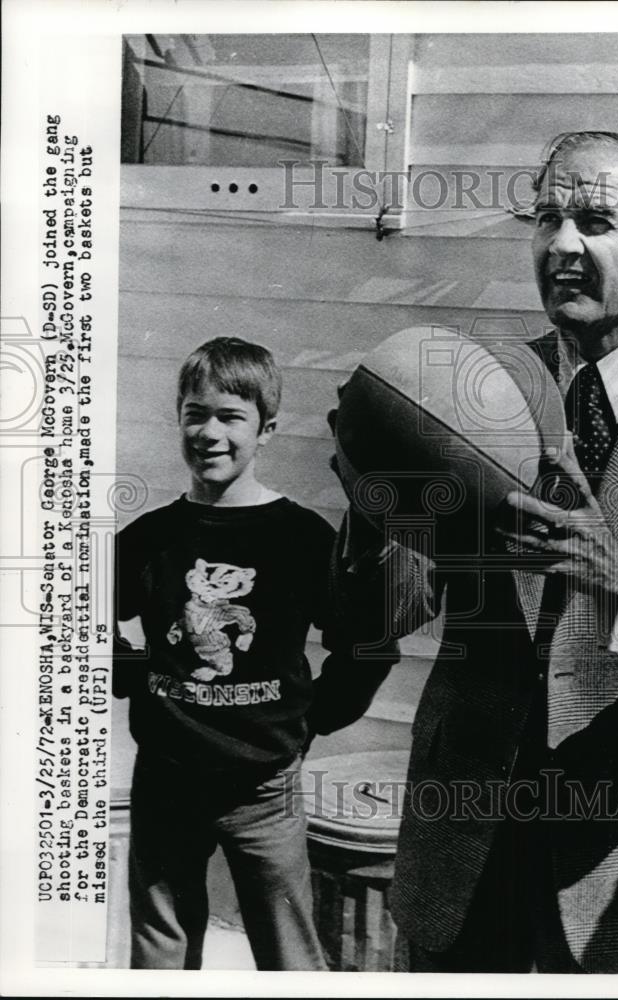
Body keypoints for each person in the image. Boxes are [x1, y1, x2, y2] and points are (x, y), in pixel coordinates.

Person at [330, 131, 618, 973]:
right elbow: (383, 616)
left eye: (595, 220)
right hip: (467, 836)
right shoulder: (467, 391)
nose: (562, 245)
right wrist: (373, 504)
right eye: (547, 219)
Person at [112, 337, 391, 970]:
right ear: (178, 419)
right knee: (160, 949)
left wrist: (310, 720)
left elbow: (368, 645)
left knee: (289, 955)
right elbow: (74, 619)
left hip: (263, 790)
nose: (209, 433)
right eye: (195, 413)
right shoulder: (150, 538)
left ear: (265, 429)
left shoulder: (298, 539)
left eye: (230, 417)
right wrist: (129, 673)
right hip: (166, 781)